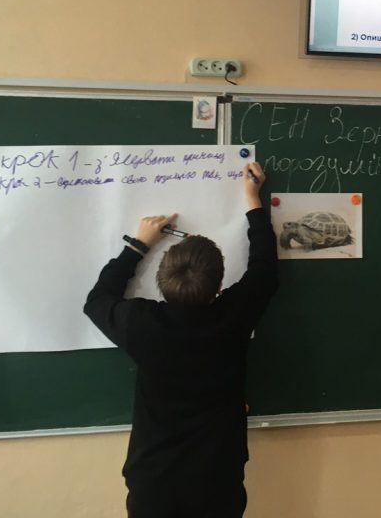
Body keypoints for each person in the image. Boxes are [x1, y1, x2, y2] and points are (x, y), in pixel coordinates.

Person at [84, 161, 278, 518]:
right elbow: (265, 268)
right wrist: (252, 199)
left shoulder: (142, 324)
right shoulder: (233, 315)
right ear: (219, 286)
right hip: (217, 479)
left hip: (154, 482)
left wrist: (137, 245)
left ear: (160, 281)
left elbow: (97, 301)